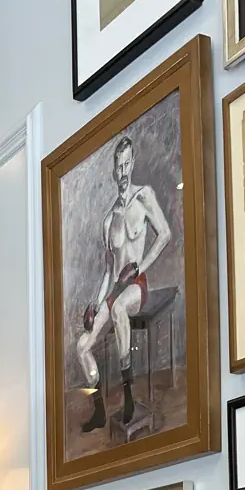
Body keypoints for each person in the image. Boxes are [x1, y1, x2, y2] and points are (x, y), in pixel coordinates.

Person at [76, 133, 171, 432]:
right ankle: (99, 410)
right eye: (119, 166)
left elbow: (165, 234)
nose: (123, 171)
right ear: (113, 171)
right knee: (82, 345)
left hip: (136, 283)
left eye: (127, 164)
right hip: (115, 288)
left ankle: (129, 398)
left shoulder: (144, 196)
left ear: (133, 163)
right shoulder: (108, 221)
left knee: (118, 309)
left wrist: (140, 266)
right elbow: (108, 271)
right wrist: (95, 303)